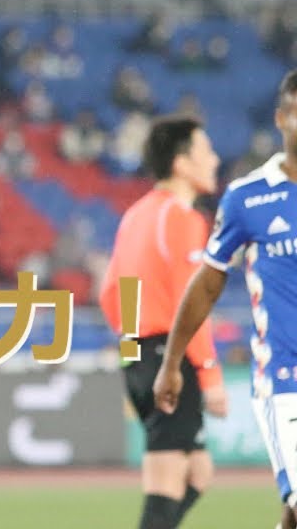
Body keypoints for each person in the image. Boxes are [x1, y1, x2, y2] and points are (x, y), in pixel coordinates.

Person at [156, 70, 297, 529]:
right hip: (286, 379)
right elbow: (207, 284)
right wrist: (172, 361)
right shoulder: (248, 198)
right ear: (281, 119)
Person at [98, 115, 225, 529]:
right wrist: (209, 374)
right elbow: (193, 304)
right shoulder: (183, 218)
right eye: (206, 151)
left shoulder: (135, 215)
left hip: (138, 352)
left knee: (198, 472)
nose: (215, 159)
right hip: (168, 359)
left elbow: (110, 292)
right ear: (181, 163)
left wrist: (131, 349)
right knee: (166, 485)